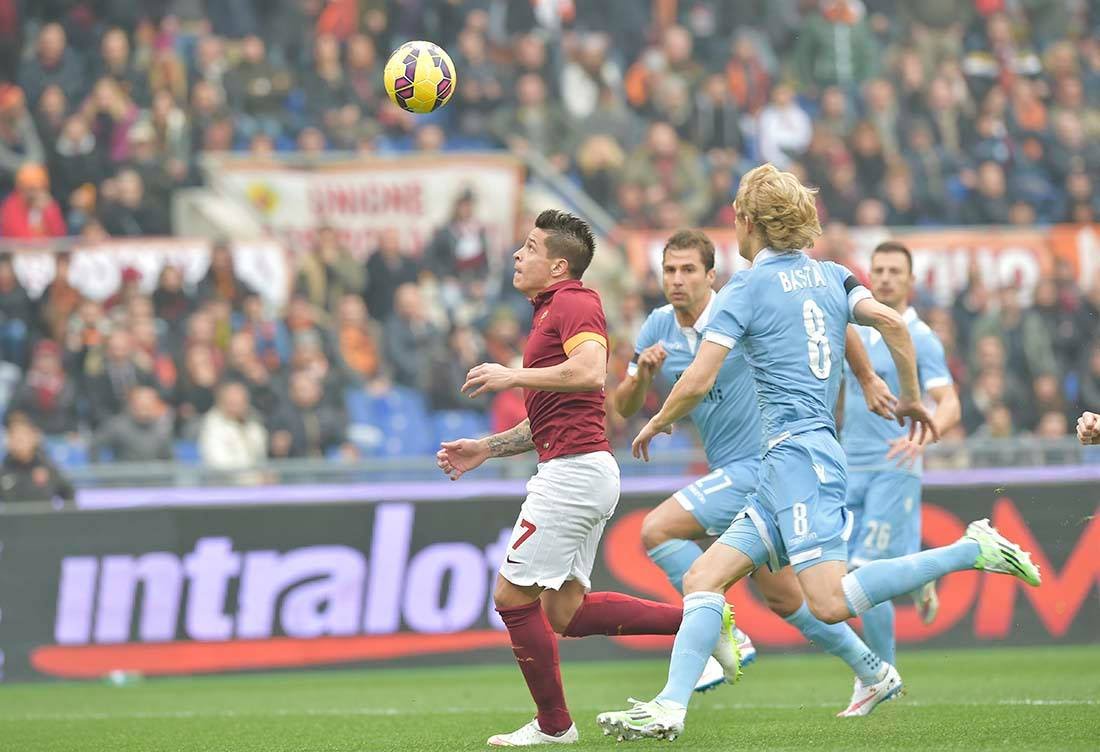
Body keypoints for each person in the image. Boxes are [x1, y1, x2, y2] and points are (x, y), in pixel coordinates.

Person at [597, 165, 1040, 742]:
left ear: (748, 222)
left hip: (798, 458)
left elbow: (700, 379)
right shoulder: (833, 275)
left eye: (736, 215)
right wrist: (907, 395)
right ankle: (669, 708)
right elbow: (895, 328)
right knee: (704, 576)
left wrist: (657, 420)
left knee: (828, 602)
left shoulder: (746, 289)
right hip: (792, 461)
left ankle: (968, 549)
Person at [435, 210, 739, 747]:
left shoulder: (575, 301)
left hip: (573, 475)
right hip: (577, 467)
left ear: (557, 265)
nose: (516, 254)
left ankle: (555, 727)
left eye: (528, 247)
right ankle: (700, 621)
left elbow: (591, 373)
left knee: (511, 598)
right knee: (565, 612)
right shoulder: (551, 309)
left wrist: (512, 374)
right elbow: (554, 412)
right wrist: (487, 447)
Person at [615, 229, 902, 713]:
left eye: (689, 270)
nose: (678, 280)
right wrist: (643, 374)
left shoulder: (737, 305)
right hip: (746, 474)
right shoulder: (657, 328)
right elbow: (621, 408)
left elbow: (842, 321)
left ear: (711, 276)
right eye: (669, 270)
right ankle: (873, 670)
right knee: (788, 599)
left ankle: (720, 628)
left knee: (657, 529)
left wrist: (869, 376)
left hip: (763, 463)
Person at [840, 241, 962, 672]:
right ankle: (921, 579)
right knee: (849, 576)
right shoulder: (853, 332)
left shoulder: (919, 336)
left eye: (895, 270)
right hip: (847, 466)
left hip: (895, 465)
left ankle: (881, 673)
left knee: (861, 572)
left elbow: (949, 403)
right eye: (880, 270)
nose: (887, 277)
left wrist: (921, 440)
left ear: (911, 280)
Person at [0, 414, 74, 505]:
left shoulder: (48, 468)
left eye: (23, 436)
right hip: (13, 519)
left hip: (43, 519)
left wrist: (61, 517)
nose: (19, 441)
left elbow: (69, 494)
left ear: (33, 438)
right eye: (14, 436)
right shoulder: (3, 471)